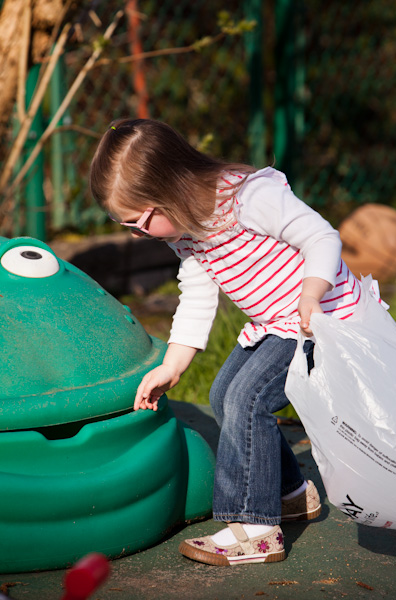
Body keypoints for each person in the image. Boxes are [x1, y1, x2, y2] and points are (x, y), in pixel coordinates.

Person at [90, 118, 362, 566]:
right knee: (223, 394)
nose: (135, 236)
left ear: (170, 188)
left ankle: (254, 528)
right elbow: (197, 294)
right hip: (274, 323)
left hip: (322, 318)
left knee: (246, 398)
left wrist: (311, 294)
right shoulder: (187, 230)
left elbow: (321, 237)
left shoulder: (251, 198)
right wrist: (172, 366)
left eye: (138, 224)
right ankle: (291, 494)